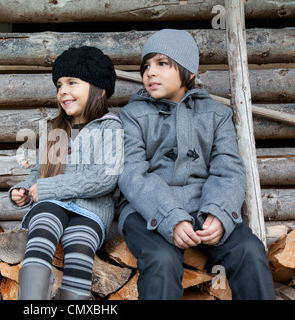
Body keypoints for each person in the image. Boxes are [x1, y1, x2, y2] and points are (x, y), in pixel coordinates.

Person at [116, 29, 275, 300]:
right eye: (146, 66)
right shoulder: (132, 115)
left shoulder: (216, 115)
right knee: (161, 259)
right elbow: (132, 173)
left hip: (205, 205)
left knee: (249, 250)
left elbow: (228, 168)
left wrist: (220, 213)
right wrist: (171, 217)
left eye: (162, 63)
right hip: (147, 211)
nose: (150, 72)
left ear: (188, 72)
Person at [9, 46, 123, 300]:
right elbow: (40, 173)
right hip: (52, 204)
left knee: (80, 247)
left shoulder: (110, 128)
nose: (63, 91)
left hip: (91, 212)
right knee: (44, 222)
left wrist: (50, 188)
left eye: (72, 82)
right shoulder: (55, 129)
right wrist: (25, 191)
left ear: (100, 89)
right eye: (59, 85)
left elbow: (104, 178)